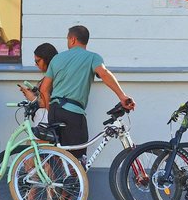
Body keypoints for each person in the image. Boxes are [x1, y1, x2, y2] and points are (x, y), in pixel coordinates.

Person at [39, 25, 134, 159]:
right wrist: (122, 96)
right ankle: (75, 172)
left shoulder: (57, 59)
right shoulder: (92, 57)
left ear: (72, 39)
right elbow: (104, 74)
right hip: (73, 112)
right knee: (78, 158)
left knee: (58, 155)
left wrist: (51, 111)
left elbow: (44, 89)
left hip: (55, 111)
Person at [19, 42, 59, 125]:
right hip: (42, 120)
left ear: (47, 59)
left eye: (38, 61)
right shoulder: (48, 77)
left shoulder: (54, 78)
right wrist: (34, 93)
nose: (36, 64)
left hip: (47, 122)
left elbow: (48, 103)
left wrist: (33, 98)